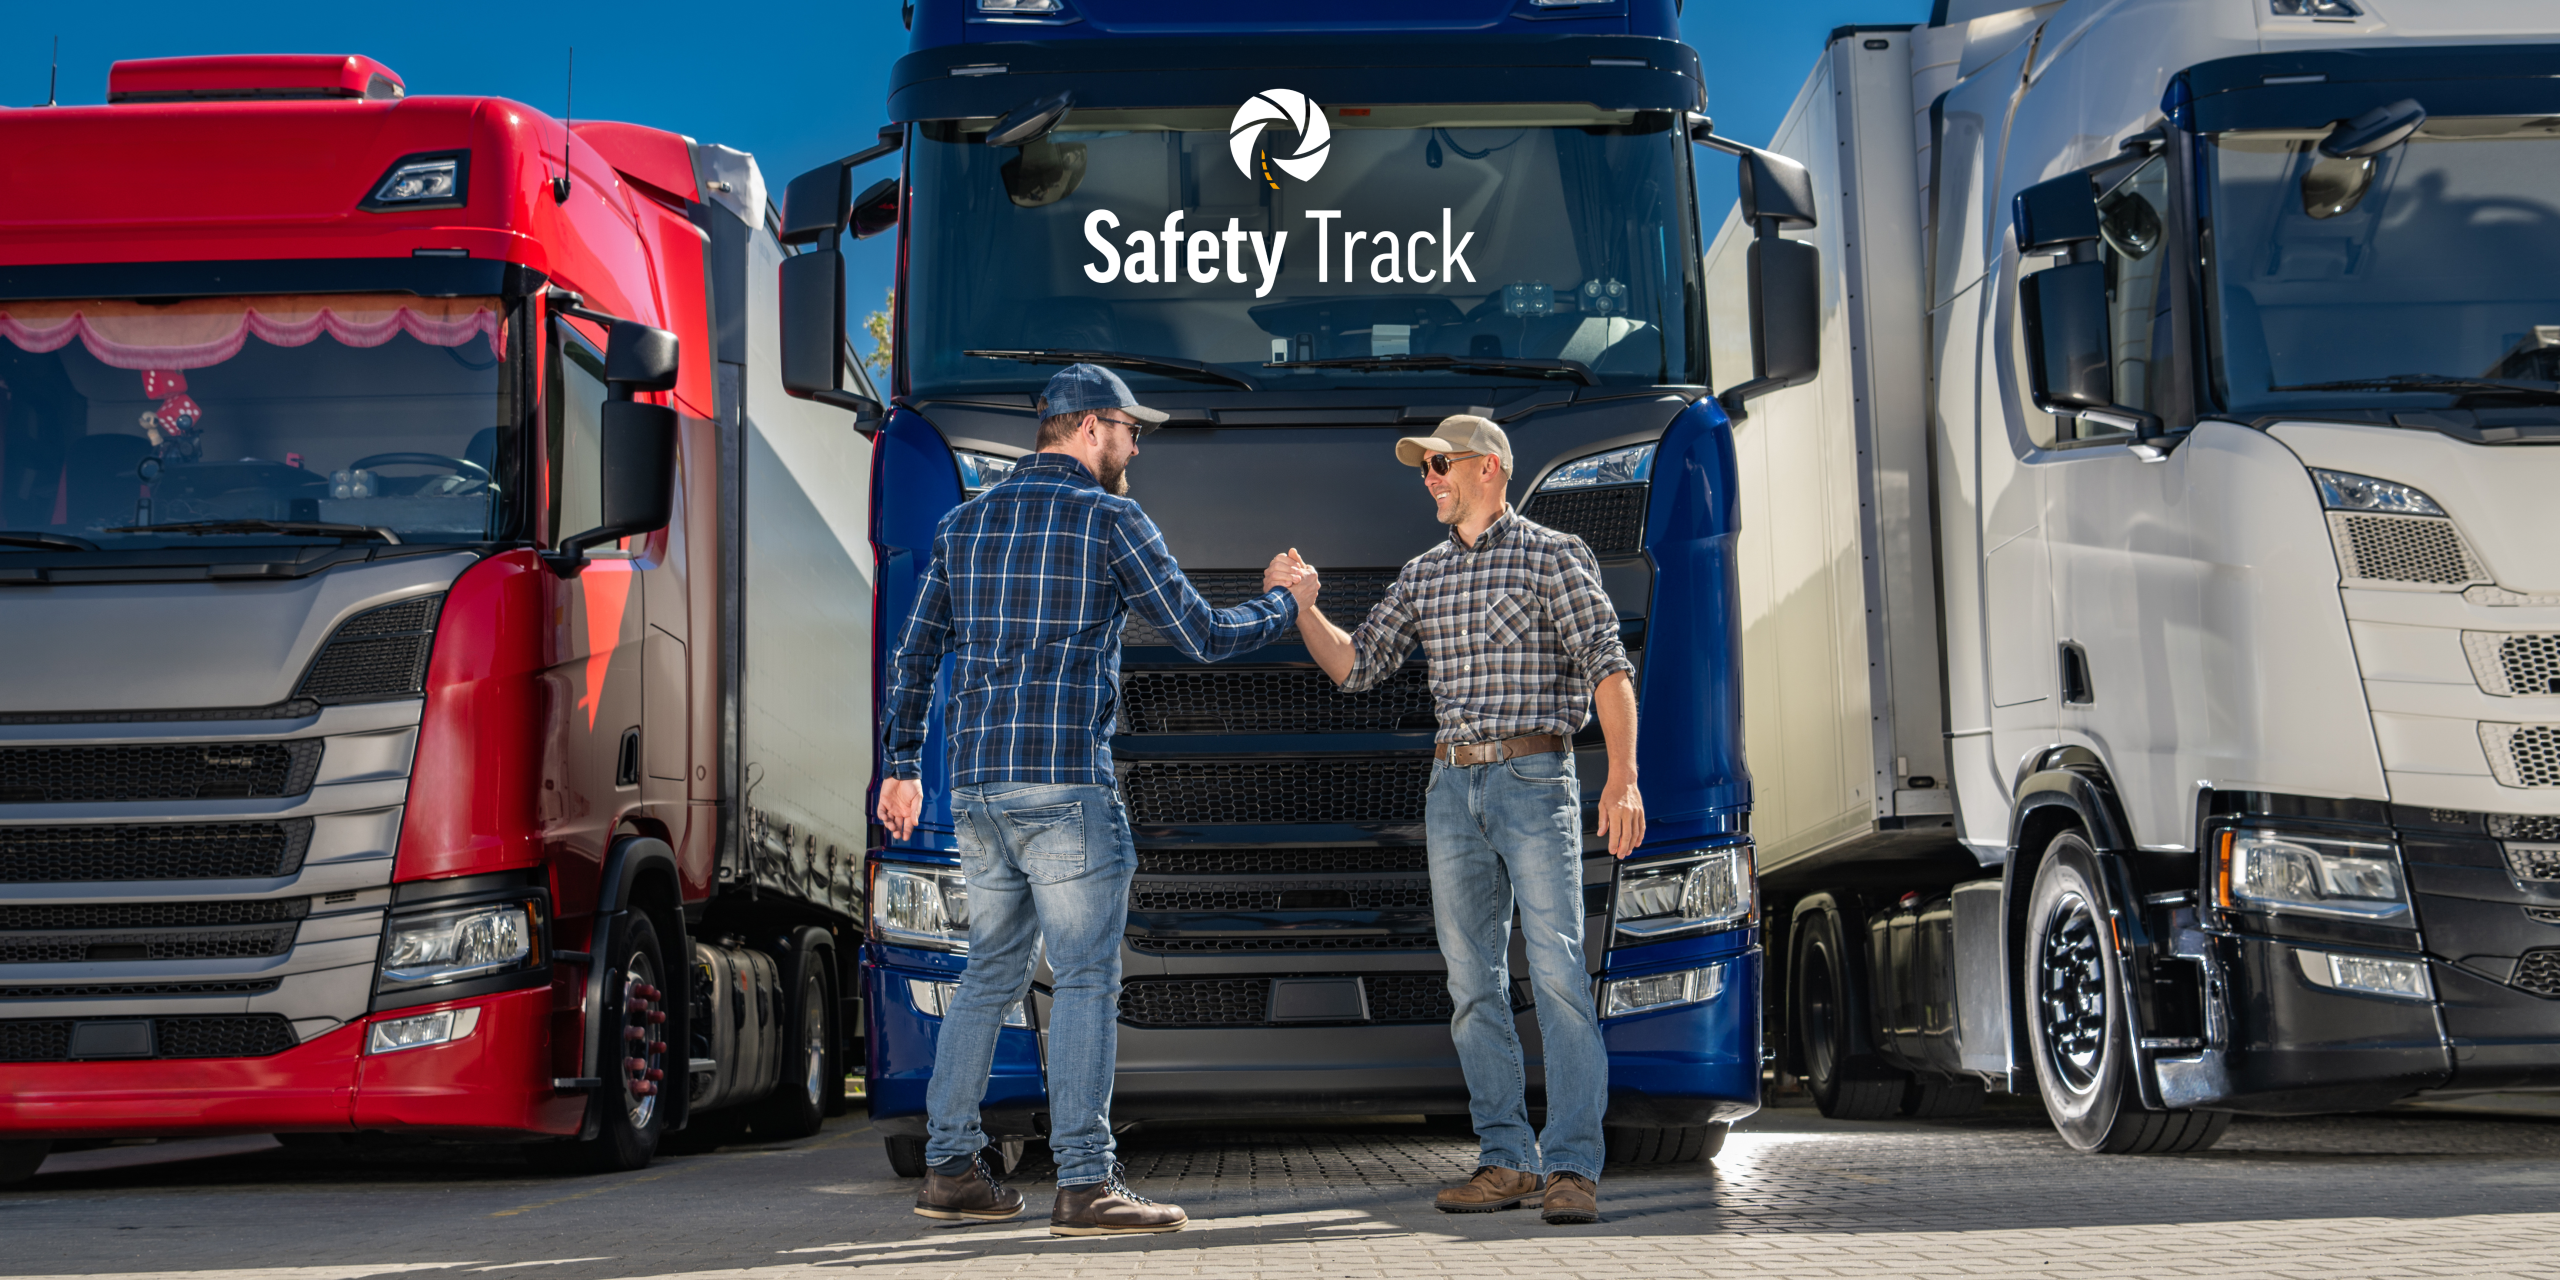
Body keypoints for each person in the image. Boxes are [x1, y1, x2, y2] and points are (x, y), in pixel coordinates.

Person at [878, 362, 1317, 1236]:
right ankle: (1084, 1181)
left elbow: (915, 655)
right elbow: (1200, 634)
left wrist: (901, 764)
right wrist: (1283, 602)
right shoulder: (1109, 519)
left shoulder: (963, 524)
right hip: (1066, 786)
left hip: (979, 790)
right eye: (1129, 429)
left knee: (988, 975)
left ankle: (951, 1168)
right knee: (1084, 979)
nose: (1136, 445)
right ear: (1088, 428)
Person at [1290, 414, 1643, 1226]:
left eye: (1440, 464)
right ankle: (1506, 1159)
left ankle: (1573, 1167)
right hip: (1451, 789)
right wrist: (1306, 607)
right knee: (1471, 983)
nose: (1429, 479)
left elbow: (1608, 666)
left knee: (1557, 973)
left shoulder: (1554, 555)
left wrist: (1624, 778)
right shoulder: (1423, 575)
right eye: (1424, 468)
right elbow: (1356, 665)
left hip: (1534, 777)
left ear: (1489, 468)